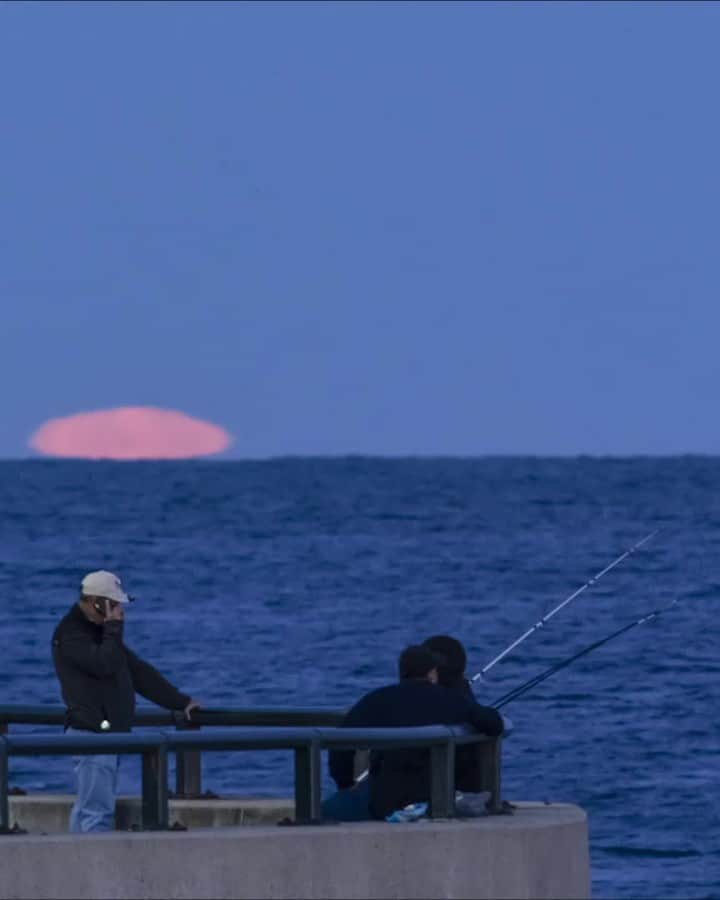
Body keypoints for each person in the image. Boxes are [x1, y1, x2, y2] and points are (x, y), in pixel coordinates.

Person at [51, 570, 199, 833]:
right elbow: (104, 664)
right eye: (115, 604)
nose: (120, 611)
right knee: (96, 813)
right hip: (92, 733)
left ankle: (76, 866)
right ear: (97, 602)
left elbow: (138, 672)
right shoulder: (72, 635)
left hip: (106, 734)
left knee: (89, 808)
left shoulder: (102, 635)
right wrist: (113, 629)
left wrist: (180, 701)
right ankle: (91, 870)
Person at [324, 645, 504, 821]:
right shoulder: (452, 700)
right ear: (433, 673)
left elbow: (341, 743)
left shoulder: (377, 700)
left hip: (383, 799)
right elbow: (494, 723)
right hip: (434, 798)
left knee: (323, 810)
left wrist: (345, 782)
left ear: (401, 673)